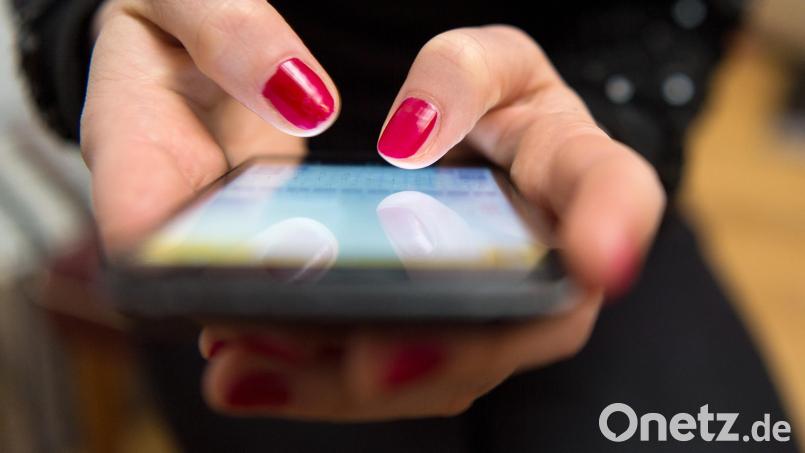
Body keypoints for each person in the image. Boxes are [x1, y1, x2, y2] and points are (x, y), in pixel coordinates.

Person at [12, 0, 799, 451]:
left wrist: (604, 116)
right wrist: (106, 25)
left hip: (546, 150)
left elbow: (683, 12)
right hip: (240, 183)